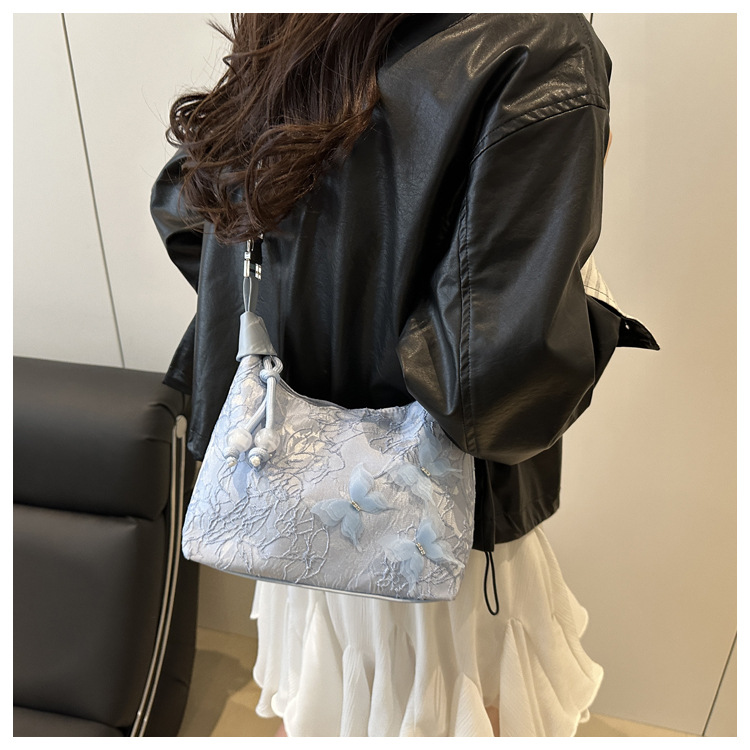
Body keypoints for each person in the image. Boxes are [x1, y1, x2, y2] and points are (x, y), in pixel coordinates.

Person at [150, 13, 659, 737]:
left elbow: (188, 211)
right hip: (432, 524)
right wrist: (593, 307)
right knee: (456, 712)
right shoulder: (540, 44)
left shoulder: (301, 22)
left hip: (290, 497)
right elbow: (492, 390)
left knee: (334, 707)